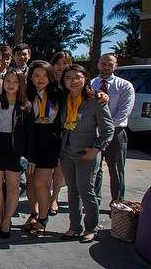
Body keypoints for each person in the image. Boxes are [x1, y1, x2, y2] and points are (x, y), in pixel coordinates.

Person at [59, 65, 114, 243]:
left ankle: (91, 227)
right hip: (67, 152)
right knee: (72, 190)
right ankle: (75, 227)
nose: (73, 81)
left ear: (85, 79)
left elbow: (108, 129)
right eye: (68, 78)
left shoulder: (95, 101)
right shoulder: (63, 99)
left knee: (87, 191)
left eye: (77, 77)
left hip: (87, 153)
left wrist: (97, 148)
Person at [0, 68, 34, 239]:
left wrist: (29, 157)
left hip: (15, 150)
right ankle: (0, 217)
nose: (11, 85)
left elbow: (30, 135)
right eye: (8, 81)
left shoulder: (27, 107)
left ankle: (7, 220)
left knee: (14, 187)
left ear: (21, 84)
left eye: (16, 82)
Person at [24, 60, 63, 235]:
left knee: (41, 183)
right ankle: (33, 213)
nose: (40, 79)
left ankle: (43, 218)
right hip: (29, 141)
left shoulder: (59, 94)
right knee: (30, 181)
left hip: (49, 140)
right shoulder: (25, 94)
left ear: (50, 76)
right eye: (36, 75)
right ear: (30, 77)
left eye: (44, 75)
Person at [91, 53, 135, 203]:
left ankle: (117, 202)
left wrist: (107, 129)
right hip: (95, 132)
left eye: (110, 64)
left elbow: (124, 112)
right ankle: (94, 199)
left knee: (116, 169)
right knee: (95, 169)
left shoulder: (124, 86)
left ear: (115, 66)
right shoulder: (91, 85)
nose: (106, 67)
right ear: (98, 65)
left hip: (116, 132)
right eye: (103, 64)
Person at [48, 51, 73, 215]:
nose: (61, 67)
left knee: (59, 166)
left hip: (67, 131)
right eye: (58, 63)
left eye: (65, 63)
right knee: (47, 166)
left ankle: (54, 197)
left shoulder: (73, 84)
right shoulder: (47, 83)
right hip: (47, 130)